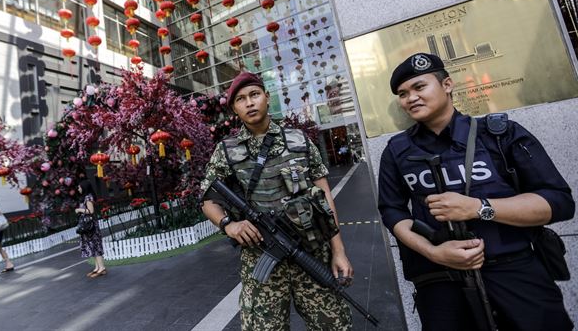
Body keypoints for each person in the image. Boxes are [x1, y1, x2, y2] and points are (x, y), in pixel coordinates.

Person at [377, 52, 575, 330]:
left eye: (419, 87)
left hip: (515, 273)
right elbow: (391, 210)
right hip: (439, 281)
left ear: (447, 85)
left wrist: (478, 207)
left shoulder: (500, 134)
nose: (410, 98)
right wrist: (434, 252)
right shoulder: (396, 151)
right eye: (402, 93)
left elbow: (559, 202)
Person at [201, 71, 353, 330]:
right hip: (262, 260)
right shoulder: (226, 151)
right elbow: (207, 200)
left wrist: (339, 251)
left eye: (254, 94)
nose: (249, 102)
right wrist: (229, 225)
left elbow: (325, 197)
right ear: (235, 109)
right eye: (241, 99)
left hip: (311, 253)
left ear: (267, 97)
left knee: (334, 325)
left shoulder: (299, 140)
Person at [75, 180, 106, 278]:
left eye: (79, 187)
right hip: (87, 227)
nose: (78, 189)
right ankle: (97, 267)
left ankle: (102, 268)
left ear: (84, 187)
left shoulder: (88, 198)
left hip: (91, 226)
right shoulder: (85, 197)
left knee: (95, 245)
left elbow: (91, 211)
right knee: (91, 246)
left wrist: (79, 210)